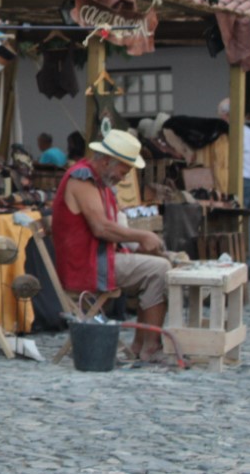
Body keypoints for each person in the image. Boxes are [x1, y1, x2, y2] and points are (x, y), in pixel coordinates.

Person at [52, 129, 171, 362]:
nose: (124, 178)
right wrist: (141, 236)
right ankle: (149, 347)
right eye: (123, 171)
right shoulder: (82, 179)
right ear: (106, 161)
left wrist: (137, 241)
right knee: (160, 270)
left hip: (94, 258)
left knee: (158, 266)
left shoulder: (97, 181)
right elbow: (101, 228)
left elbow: (109, 224)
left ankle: (140, 345)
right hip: (86, 264)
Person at [219, 98, 250, 280]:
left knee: (233, 223)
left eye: (222, 116)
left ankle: (235, 263)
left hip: (242, 180)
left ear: (227, 115)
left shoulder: (234, 134)